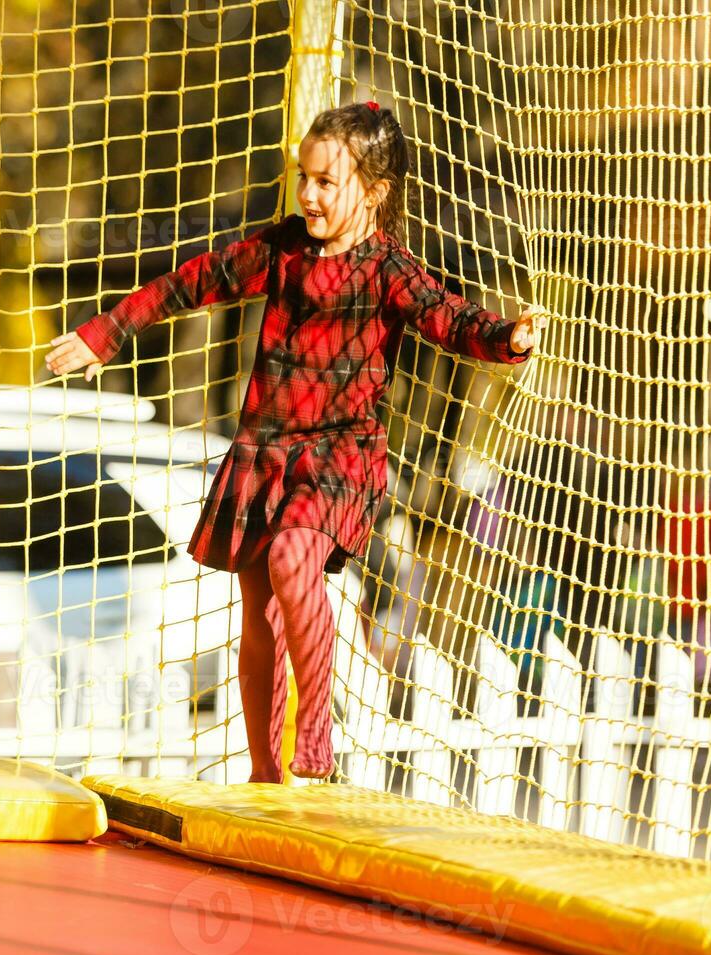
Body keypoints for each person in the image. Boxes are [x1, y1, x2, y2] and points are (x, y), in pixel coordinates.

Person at [46, 101, 539, 781]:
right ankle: (263, 770)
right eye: (303, 178)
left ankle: (315, 732)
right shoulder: (279, 251)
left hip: (339, 456)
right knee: (259, 613)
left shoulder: (387, 269)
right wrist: (107, 332)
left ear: (374, 191)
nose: (308, 194)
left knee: (291, 552)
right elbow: (190, 282)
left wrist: (505, 337)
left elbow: (449, 317)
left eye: (326, 183)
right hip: (265, 451)